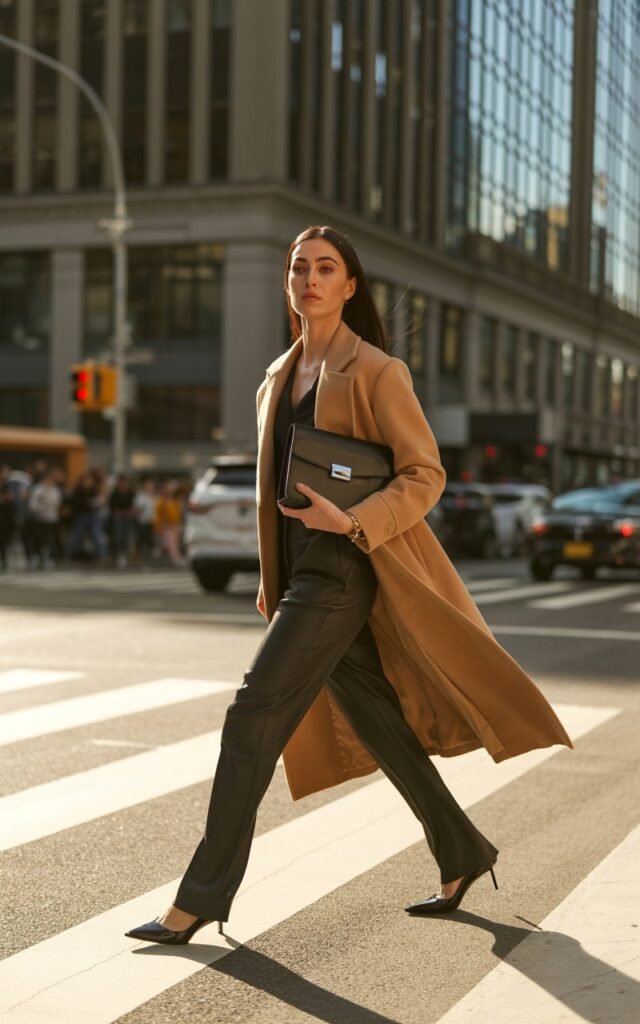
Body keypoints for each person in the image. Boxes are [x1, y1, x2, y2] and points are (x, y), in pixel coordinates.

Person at [126, 225, 572, 946]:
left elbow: (425, 473)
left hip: (346, 569)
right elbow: (278, 485)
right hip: (304, 576)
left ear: (349, 286)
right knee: (377, 721)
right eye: (298, 267)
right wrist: (273, 577)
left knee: (250, 718)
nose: (309, 278)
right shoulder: (278, 373)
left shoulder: (375, 371)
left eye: (325, 268)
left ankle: (201, 896)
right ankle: (461, 851)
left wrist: (356, 520)